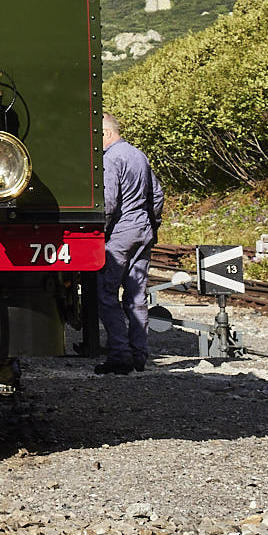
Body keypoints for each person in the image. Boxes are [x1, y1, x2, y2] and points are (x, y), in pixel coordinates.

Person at [97, 113, 166, 374]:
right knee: (137, 296)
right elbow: (156, 195)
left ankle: (119, 355)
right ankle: (139, 354)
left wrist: (101, 233)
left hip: (120, 234)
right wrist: (152, 224)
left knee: (106, 295)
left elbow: (109, 202)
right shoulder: (139, 155)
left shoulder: (110, 159)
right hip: (142, 230)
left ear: (106, 133)